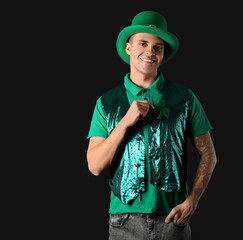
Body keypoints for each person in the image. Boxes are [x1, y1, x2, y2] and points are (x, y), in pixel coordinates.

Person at [86, 10, 217, 240]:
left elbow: (209, 155)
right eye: (143, 43)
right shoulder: (106, 103)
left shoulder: (184, 98)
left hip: (173, 220)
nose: (150, 52)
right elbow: (95, 165)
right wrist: (125, 122)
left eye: (158, 47)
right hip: (123, 224)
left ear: (163, 53)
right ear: (128, 48)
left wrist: (192, 202)